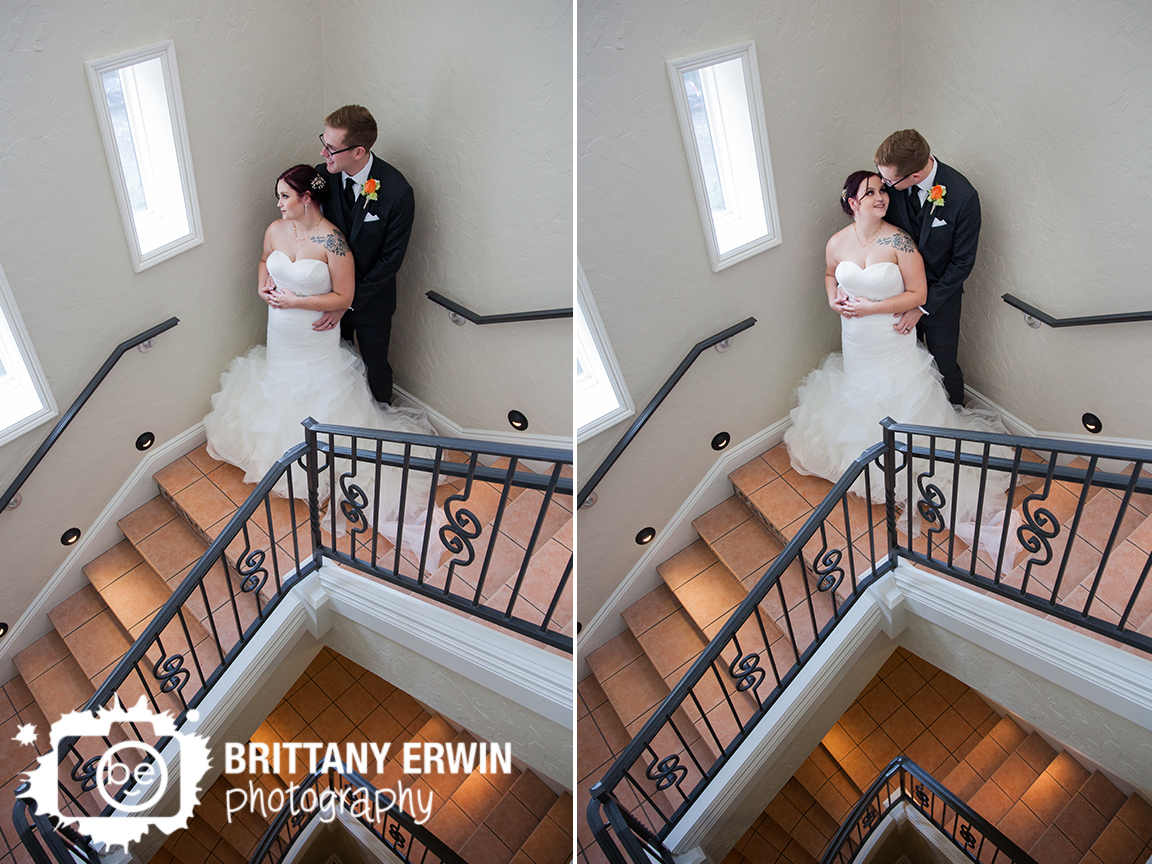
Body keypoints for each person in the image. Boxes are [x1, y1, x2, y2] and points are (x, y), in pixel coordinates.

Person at [204, 165, 437, 546]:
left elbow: (344, 297)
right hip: (280, 332)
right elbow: (265, 260)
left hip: (315, 336)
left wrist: (298, 300)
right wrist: (263, 286)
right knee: (280, 386)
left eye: (285, 196)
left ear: (307, 198)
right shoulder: (275, 230)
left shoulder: (333, 243)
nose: (278, 203)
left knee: (317, 392)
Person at [784, 171, 1006, 524]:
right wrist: (832, 300)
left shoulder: (900, 242)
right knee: (860, 391)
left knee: (897, 395)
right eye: (870, 192)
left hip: (890, 336)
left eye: (882, 190)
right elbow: (830, 274)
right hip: (856, 340)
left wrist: (870, 308)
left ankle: (906, 465)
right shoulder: (837, 242)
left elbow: (917, 294)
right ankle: (863, 461)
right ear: (853, 203)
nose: (881, 197)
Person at [312, 105, 415, 405]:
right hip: (329, 294)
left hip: (372, 303)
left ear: (358, 152)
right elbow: (294, 201)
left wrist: (348, 303)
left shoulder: (397, 192)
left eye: (331, 148)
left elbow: (390, 261)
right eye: (323, 142)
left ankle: (382, 421)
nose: (322, 153)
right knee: (335, 361)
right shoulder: (322, 176)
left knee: (375, 366)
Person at [874, 129, 980, 406]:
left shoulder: (963, 196)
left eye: (888, 179)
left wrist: (922, 307)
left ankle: (954, 417)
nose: (883, 184)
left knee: (945, 365)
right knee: (901, 363)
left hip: (940, 301)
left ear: (915, 176)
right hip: (897, 293)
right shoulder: (891, 188)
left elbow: (962, 263)